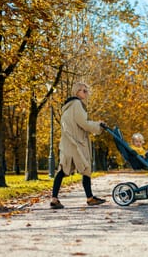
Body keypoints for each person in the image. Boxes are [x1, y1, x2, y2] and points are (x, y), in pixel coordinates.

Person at [50, 81, 106, 209]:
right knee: (86, 168)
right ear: (76, 92)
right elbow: (84, 123)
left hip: (67, 143)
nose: (86, 93)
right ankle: (90, 198)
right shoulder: (76, 104)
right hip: (77, 143)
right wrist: (98, 125)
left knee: (62, 169)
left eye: (86, 90)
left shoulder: (68, 107)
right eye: (83, 90)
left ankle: (54, 198)